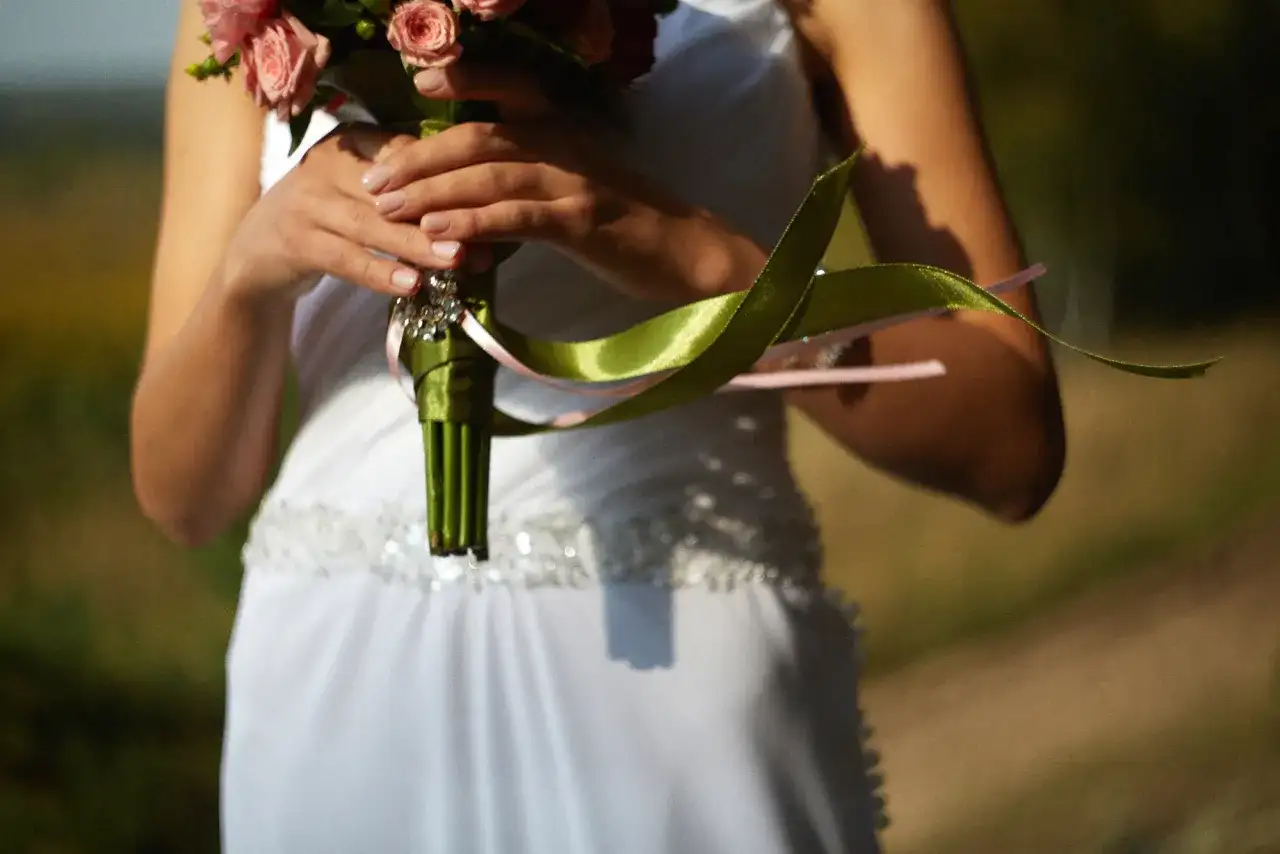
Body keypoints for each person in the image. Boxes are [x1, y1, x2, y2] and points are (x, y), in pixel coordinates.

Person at [131, 0, 1065, 850]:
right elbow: (183, 499)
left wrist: (691, 258)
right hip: (335, 687)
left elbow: (1011, 445)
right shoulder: (243, 11)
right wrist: (250, 274)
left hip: (672, 681)